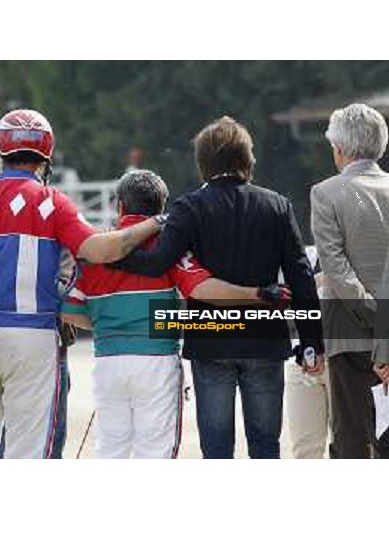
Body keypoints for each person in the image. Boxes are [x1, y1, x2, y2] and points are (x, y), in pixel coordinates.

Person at [0, 109, 163, 459]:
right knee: (28, 453)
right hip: (32, 339)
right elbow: (101, 249)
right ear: (45, 158)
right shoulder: (54, 204)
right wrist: (154, 223)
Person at [112, 116, 323, 459]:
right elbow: (300, 276)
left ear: (203, 164)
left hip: (210, 341)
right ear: (246, 160)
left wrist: (111, 256)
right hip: (265, 340)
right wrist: (312, 342)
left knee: (216, 449)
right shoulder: (277, 206)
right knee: (266, 445)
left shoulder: (189, 207)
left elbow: (156, 263)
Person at [61, 169, 292, 459]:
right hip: (157, 359)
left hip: (108, 362)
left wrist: (111, 327)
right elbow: (202, 290)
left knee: (111, 448)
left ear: (119, 205)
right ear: (162, 207)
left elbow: (69, 311)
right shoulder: (168, 245)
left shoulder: (98, 249)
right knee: (156, 451)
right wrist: (255, 293)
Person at [311, 102, 389, 459]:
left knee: (352, 440)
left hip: (348, 334)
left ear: (339, 149)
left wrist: (374, 318)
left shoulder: (326, 193)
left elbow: (336, 268)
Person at [285, 250, 332, 459]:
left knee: (352, 446)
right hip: (301, 358)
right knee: (305, 450)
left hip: (346, 358)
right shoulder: (294, 241)